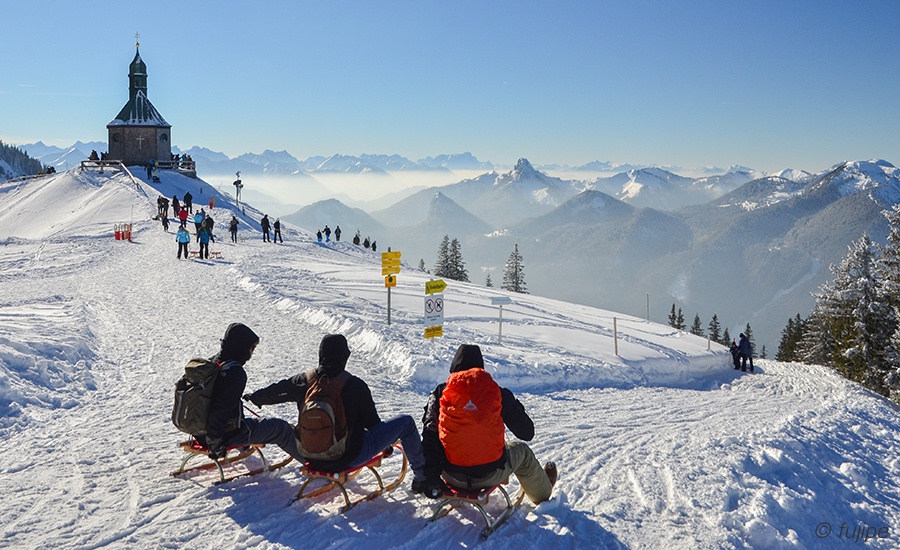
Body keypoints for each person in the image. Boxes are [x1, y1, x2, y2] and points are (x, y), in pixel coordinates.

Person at [244, 334, 428, 489]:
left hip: (308, 456)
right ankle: (422, 478)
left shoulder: (305, 380)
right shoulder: (355, 385)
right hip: (346, 457)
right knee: (406, 422)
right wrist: (385, 446)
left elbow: (277, 391)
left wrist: (255, 397)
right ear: (344, 357)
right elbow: (373, 424)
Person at [419, 344, 557, 503]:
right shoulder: (497, 392)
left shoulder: (439, 393)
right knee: (522, 451)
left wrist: (431, 478)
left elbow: (429, 435)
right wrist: (514, 406)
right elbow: (527, 433)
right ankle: (542, 492)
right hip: (490, 474)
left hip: (450, 475)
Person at [193, 323, 308, 464]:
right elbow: (220, 410)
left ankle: (244, 446)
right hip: (220, 437)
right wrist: (215, 444)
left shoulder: (212, 363)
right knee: (281, 428)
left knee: (237, 411)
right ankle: (311, 462)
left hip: (199, 432)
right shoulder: (234, 372)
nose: (252, 352)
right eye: (252, 348)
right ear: (242, 347)